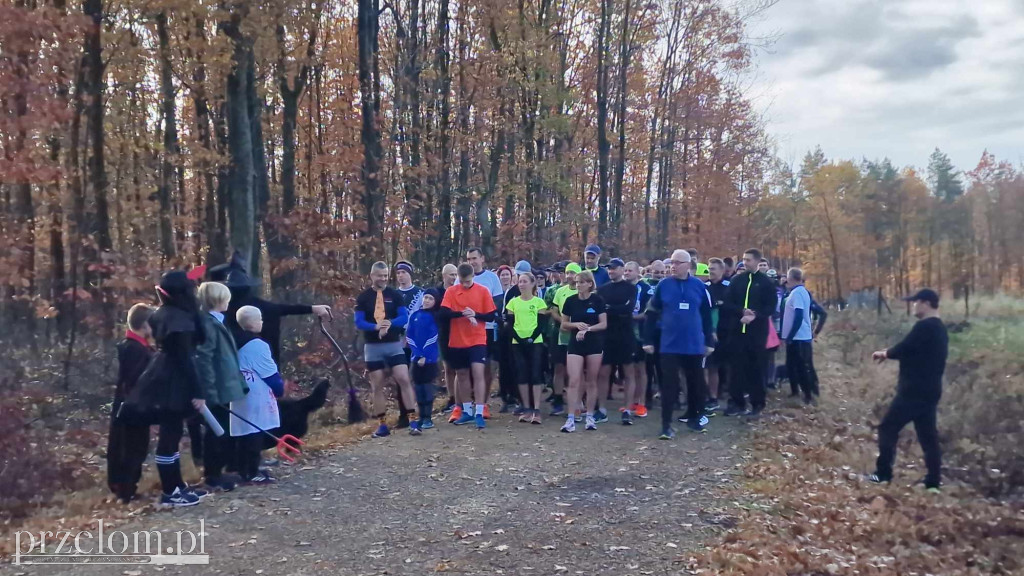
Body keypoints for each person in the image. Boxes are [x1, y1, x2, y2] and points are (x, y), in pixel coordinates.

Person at [120, 271, 209, 507]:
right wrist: (198, 392)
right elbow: (185, 360)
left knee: (174, 434)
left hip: (164, 374)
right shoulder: (178, 321)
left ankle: (177, 485)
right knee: (170, 436)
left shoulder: (167, 315)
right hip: (172, 380)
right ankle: (170, 491)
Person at [869, 289, 948, 492]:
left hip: (913, 391)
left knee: (887, 427)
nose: (913, 305)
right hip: (931, 391)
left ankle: (883, 474)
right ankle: (933, 482)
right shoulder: (940, 328)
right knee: (928, 436)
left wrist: (884, 353)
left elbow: (905, 347)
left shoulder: (925, 327)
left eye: (916, 302)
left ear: (927, 303)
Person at [210, 251, 331, 364]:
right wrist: (313, 308)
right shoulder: (258, 307)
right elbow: (284, 309)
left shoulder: (220, 309)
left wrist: (313, 308)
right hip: (257, 365)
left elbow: (284, 309)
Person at [643, 250, 714, 439]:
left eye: (677, 263)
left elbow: (707, 316)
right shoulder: (663, 285)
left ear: (688, 265)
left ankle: (695, 418)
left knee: (695, 383)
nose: (673, 266)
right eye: (672, 262)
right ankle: (666, 425)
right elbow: (651, 313)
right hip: (669, 345)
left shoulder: (699, 286)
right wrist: (648, 340)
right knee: (669, 385)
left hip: (693, 344)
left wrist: (709, 341)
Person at [354, 262, 419, 437]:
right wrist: (376, 327)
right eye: (379, 275)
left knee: (404, 378)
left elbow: (404, 317)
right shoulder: (363, 297)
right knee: (377, 385)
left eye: (385, 275)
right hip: (373, 347)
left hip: (393, 345)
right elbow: (359, 322)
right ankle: (382, 425)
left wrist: (389, 323)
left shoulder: (394, 295)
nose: (383, 279)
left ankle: (413, 420)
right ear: (372, 276)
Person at [195, 282, 249, 492]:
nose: (229, 301)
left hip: (224, 384)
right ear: (218, 300)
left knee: (223, 429)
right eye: (225, 297)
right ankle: (213, 474)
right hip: (216, 387)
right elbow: (204, 359)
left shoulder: (217, 321)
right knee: (216, 431)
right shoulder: (209, 324)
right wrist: (209, 391)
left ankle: (220, 470)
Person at [440, 263, 499, 429]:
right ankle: (466, 410)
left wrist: (475, 315)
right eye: (462, 281)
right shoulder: (451, 292)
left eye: (468, 281)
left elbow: (491, 316)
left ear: (473, 277)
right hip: (457, 340)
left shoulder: (482, 291)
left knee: (478, 372)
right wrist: (462, 313)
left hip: (477, 339)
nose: (465, 285)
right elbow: (443, 313)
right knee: (462, 374)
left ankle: (479, 410)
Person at [107, 304, 156, 504]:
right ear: (144, 326)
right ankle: (125, 490)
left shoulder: (133, 347)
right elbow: (136, 380)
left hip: (130, 406)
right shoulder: (135, 350)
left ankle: (126, 488)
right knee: (131, 448)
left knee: (131, 447)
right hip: (133, 408)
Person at [722, 249, 777, 418]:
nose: (745, 263)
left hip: (757, 334)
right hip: (737, 332)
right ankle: (736, 403)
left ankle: (757, 404)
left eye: (749, 260)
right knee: (736, 369)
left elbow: (770, 307)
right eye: (744, 259)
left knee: (757, 370)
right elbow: (727, 303)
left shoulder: (766, 282)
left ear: (757, 262)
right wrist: (741, 312)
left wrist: (755, 316)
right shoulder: (737, 280)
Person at [232, 306, 283, 484]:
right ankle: (252, 471)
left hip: (238, 390)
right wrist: (279, 388)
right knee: (255, 430)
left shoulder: (233, 340)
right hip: (256, 392)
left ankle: (242, 468)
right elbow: (268, 371)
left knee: (244, 431)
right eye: (259, 318)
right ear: (252, 322)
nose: (262, 321)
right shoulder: (257, 345)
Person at [559, 270, 607, 432]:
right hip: (575, 343)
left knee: (591, 380)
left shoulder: (598, 300)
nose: (578, 285)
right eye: (577, 282)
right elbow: (564, 324)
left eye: (581, 282)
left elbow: (603, 324)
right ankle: (571, 417)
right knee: (573, 380)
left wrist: (588, 329)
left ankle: (590, 416)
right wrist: (576, 325)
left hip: (594, 343)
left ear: (589, 284)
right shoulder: (570, 301)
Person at [505, 272, 548, 424]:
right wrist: (519, 339)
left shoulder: (539, 302)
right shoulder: (513, 302)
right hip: (518, 343)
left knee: (536, 374)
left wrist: (531, 338)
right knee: (521, 374)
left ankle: (536, 409)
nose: (521, 284)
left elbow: (541, 324)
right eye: (519, 281)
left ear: (532, 283)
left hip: (535, 342)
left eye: (524, 281)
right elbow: (509, 325)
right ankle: (526, 407)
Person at [596, 258, 635, 424]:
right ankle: (602, 409)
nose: (611, 271)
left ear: (621, 269)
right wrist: (615, 310)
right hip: (607, 335)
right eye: (609, 269)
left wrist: (610, 309)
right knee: (603, 372)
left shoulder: (631, 288)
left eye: (614, 269)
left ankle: (627, 410)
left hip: (625, 334)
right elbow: (600, 310)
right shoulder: (602, 289)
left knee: (628, 372)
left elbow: (628, 309)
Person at [467, 247, 503, 417]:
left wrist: (479, 315)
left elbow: (496, 304)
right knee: (466, 368)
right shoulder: (463, 277)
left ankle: (484, 402)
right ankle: (466, 404)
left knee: (486, 367)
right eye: (469, 259)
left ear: (482, 259)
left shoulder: (491, 278)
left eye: (474, 258)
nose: (472, 262)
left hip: (486, 329)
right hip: (465, 329)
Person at [782, 269, 819, 405]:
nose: (786, 280)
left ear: (792, 278)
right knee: (792, 365)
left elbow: (798, 316)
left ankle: (807, 395)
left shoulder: (797, 293)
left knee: (801, 367)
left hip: (798, 337)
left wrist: (790, 336)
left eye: (787, 277)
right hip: (800, 336)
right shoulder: (802, 292)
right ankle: (796, 392)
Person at [407, 288, 441, 432]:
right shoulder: (415, 315)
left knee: (427, 387)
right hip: (416, 358)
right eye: (425, 297)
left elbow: (433, 337)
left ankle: (428, 417)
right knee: (418, 387)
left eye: (430, 298)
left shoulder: (435, 317)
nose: (427, 301)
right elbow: (410, 335)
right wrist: (418, 354)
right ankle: (420, 416)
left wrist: (425, 356)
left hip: (430, 358)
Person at [549, 263, 581, 417]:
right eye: (567, 272)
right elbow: (553, 311)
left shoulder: (585, 292)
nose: (569, 276)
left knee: (577, 370)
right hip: (561, 333)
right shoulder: (560, 291)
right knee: (559, 367)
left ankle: (578, 401)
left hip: (579, 334)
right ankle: (557, 400)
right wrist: (563, 322)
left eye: (572, 273)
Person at [622, 261, 652, 422]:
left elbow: (648, 311)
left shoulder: (645, 288)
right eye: (625, 270)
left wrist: (630, 317)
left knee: (641, 368)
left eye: (629, 271)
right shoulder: (622, 287)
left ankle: (642, 403)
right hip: (625, 334)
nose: (626, 273)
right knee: (629, 369)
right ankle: (630, 402)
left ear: (637, 272)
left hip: (640, 333)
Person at [704, 258, 732, 412]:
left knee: (728, 366)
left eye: (713, 268)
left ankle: (730, 395)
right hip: (710, 332)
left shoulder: (729, 286)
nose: (710, 271)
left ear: (722, 270)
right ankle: (712, 397)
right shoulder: (704, 287)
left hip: (727, 331)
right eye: (709, 268)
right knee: (711, 366)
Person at [437, 264, 459, 411]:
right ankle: (451, 397)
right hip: (444, 332)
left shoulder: (459, 290)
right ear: (444, 276)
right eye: (451, 274)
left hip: (459, 331)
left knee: (461, 367)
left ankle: (463, 397)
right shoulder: (437, 292)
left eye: (456, 274)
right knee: (448, 367)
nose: (454, 277)